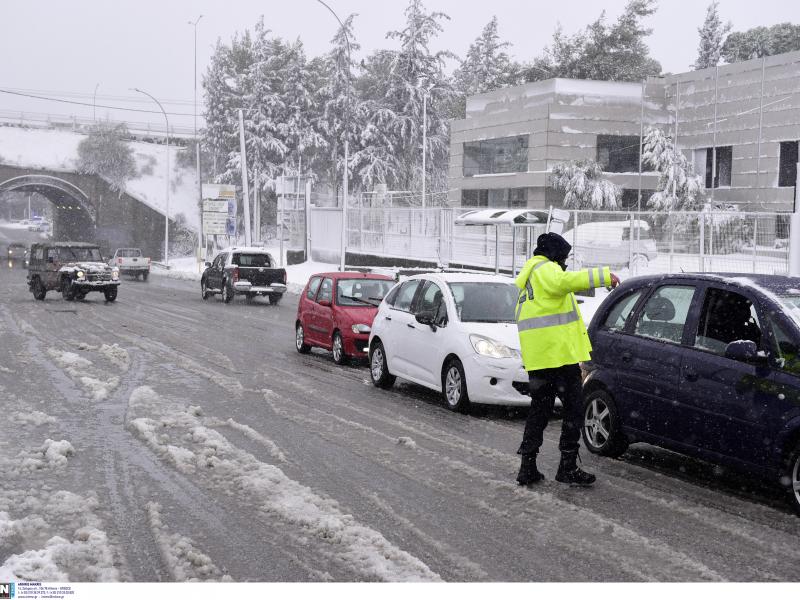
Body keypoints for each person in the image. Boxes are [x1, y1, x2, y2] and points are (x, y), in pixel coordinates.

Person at [515, 232, 619, 487]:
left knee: (539, 412)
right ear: (554, 254)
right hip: (558, 358)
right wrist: (604, 276)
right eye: (564, 257)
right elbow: (567, 281)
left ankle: (527, 466)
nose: (565, 263)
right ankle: (567, 466)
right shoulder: (545, 269)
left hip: (541, 359)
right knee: (574, 409)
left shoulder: (531, 280)